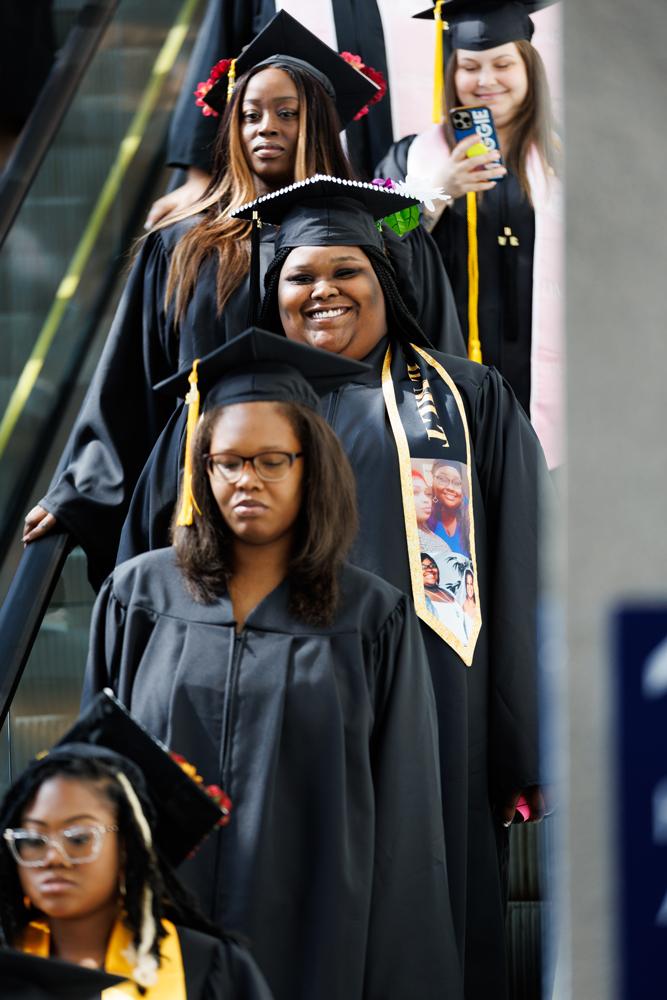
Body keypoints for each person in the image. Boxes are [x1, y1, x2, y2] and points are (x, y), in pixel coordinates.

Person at [81, 329, 464, 1000]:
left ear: (309, 467)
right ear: (202, 470)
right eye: (226, 463)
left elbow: (404, 811)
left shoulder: (370, 616)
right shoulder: (138, 597)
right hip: (161, 923)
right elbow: (90, 777)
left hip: (313, 922)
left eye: (270, 461)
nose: (245, 480)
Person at [23, 11, 464, 590]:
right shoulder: (183, 242)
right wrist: (80, 491)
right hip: (207, 496)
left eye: (287, 113)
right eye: (250, 115)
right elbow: (131, 380)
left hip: (350, 494)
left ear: (323, 124)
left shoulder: (387, 228)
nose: (265, 127)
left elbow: (436, 367)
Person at [244, 175, 550, 999]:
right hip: (288, 697)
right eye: (299, 277)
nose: (323, 293)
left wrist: (525, 737)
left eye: (347, 271)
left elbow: (520, 566)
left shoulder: (464, 399)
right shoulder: (237, 411)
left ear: (385, 278)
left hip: (437, 695)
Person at [376, 0, 563, 468]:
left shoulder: (566, 157)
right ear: (451, 72)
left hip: (548, 369)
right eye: (469, 67)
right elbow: (376, 240)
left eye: (503, 64)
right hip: (448, 358)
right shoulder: (412, 158)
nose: (485, 81)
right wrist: (438, 190)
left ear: (529, 70)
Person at [0, 691, 274, 999]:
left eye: (78, 837)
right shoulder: (9, 968)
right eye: (34, 839)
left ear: (128, 847)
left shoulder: (207, 967)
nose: (53, 857)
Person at [428, 459, 471, 557]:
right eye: (442, 479)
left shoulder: (469, 512)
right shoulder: (425, 509)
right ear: (432, 479)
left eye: (456, 483)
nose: (450, 487)